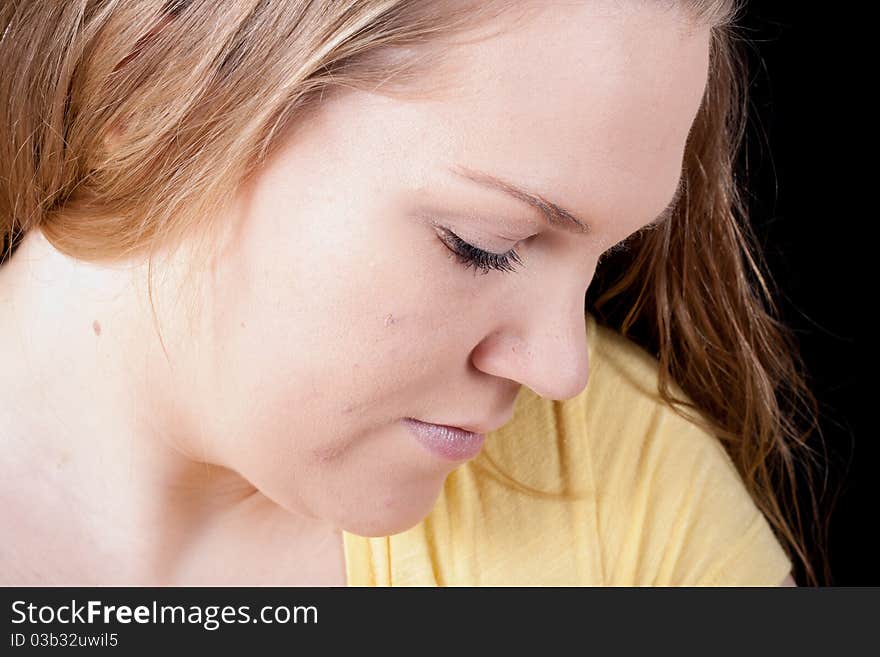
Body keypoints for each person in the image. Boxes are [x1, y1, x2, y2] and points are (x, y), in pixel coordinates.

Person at [0, 0, 826, 586]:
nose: (560, 368)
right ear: (156, 86)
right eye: (484, 245)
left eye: (604, 259)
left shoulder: (631, 483)